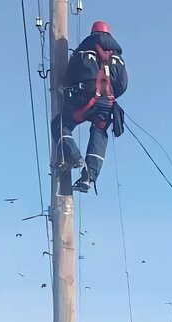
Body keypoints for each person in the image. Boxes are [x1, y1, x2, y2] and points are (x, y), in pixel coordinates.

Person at [52, 20, 128, 193]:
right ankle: (89, 175)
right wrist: (110, 95)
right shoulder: (118, 58)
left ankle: (73, 157)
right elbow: (123, 84)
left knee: (60, 124)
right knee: (99, 131)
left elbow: (69, 76)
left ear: (93, 33)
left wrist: (66, 90)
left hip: (84, 99)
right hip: (106, 103)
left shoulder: (84, 50)